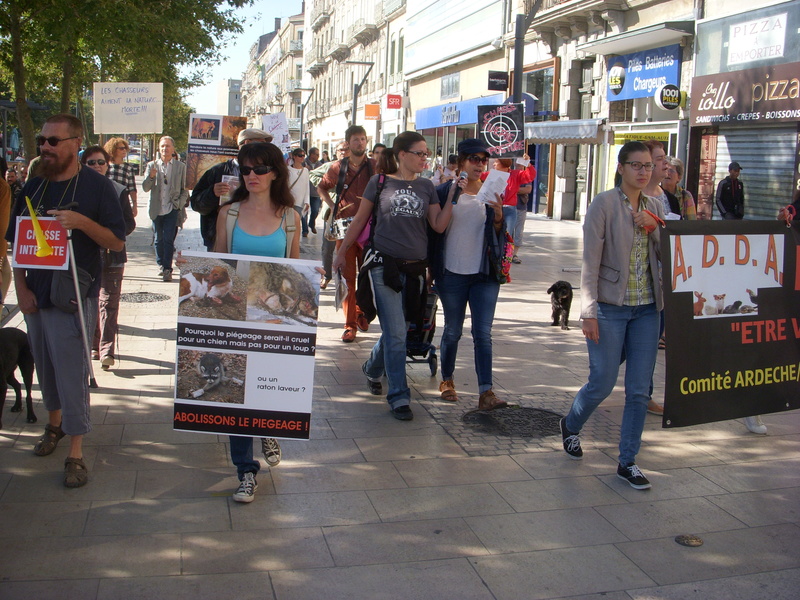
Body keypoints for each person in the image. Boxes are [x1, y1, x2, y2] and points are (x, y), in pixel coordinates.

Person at [6, 114, 125, 488]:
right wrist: (21, 289)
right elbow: (19, 244)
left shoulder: (98, 187)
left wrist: (80, 222)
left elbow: (116, 242)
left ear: (76, 142)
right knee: (45, 365)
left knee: (72, 371)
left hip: (73, 294)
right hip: (35, 296)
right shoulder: (34, 185)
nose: (45, 147)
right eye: (43, 140)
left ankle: (76, 450)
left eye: (54, 141)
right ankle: (53, 425)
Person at [559, 141, 664, 490]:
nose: (643, 171)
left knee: (638, 390)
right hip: (609, 307)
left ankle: (628, 461)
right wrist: (587, 311)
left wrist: (655, 227)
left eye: (648, 165)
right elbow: (590, 262)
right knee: (602, 382)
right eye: (636, 165)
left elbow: (671, 252)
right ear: (621, 168)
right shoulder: (603, 204)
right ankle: (571, 425)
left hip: (648, 309)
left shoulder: (656, 204)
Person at [334, 132, 453, 420]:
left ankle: (373, 368)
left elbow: (437, 225)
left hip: (415, 268)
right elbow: (360, 219)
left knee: (400, 329)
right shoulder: (380, 182)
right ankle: (399, 396)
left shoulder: (426, 186)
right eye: (420, 153)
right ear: (402, 154)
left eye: (427, 153)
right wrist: (340, 253)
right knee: (397, 332)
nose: (425, 158)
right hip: (382, 265)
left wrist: (451, 197)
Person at [213, 142, 299, 502]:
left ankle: (267, 427)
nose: (251, 176)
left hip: (273, 322)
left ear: (276, 172)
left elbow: (293, 272)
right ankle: (246, 470)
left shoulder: (290, 218)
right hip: (236, 316)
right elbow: (216, 265)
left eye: (260, 169)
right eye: (245, 169)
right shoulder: (229, 214)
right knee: (236, 397)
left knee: (263, 387)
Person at [433, 138, 508, 411]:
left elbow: (499, 236)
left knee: (483, 334)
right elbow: (435, 229)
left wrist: (499, 217)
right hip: (452, 271)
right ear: (461, 161)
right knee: (453, 330)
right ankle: (447, 380)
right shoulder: (444, 191)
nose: (479, 164)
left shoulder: (492, 192)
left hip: (484, 273)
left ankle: (486, 391)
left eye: (483, 159)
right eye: (474, 159)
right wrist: (454, 193)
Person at [317, 125, 376, 342]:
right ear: (348, 143)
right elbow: (321, 188)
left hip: (370, 231)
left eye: (363, 139)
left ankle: (361, 311)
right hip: (345, 231)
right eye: (356, 139)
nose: (360, 143)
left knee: (368, 277)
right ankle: (350, 324)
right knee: (347, 278)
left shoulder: (376, 166)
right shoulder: (337, 168)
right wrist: (332, 205)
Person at [81, 146, 136, 370]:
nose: (96, 166)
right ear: (83, 165)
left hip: (112, 256)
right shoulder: (76, 190)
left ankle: (107, 350)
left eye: (100, 162)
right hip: (85, 257)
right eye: (91, 162)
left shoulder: (118, 190)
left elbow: (129, 223)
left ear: (108, 165)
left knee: (109, 304)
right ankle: (94, 345)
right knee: (90, 300)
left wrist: (110, 232)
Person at [190, 128, 274, 251]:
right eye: (261, 144)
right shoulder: (217, 172)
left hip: (255, 238)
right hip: (218, 240)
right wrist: (213, 193)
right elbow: (196, 204)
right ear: (246, 144)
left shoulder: (267, 172)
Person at [143, 136, 188, 282]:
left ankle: (167, 268)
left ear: (173, 149)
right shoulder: (152, 166)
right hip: (157, 208)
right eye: (162, 146)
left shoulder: (180, 167)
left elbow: (185, 189)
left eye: (168, 146)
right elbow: (145, 187)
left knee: (168, 238)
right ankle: (160, 264)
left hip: (172, 208)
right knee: (158, 239)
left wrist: (179, 205)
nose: (165, 149)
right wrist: (151, 176)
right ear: (159, 149)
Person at [309, 142, 349, 289]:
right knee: (328, 247)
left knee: (347, 248)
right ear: (336, 152)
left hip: (350, 213)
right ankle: (326, 275)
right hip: (332, 213)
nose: (343, 152)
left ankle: (345, 278)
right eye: (340, 150)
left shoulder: (356, 168)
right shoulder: (330, 166)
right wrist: (327, 185)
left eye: (346, 150)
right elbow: (312, 174)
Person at [484, 155, 535, 253]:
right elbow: (478, 177)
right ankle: (492, 254)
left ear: (503, 163)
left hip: (509, 210)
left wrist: (527, 163)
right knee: (491, 233)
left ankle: (504, 257)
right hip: (494, 208)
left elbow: (530, 175)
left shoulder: (515, 175)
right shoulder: (492, 174)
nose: (494, 164)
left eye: (496, 162)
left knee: (506, 235)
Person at [104, 137, 139, 218]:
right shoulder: (106, 166)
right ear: (113, 149)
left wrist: (134, 205)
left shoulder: (128, 167)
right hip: (108, 201)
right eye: (121, 148)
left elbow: (132, 188)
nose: (124, 150)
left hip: (123, 202)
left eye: (125, 148)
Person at [287, 148, 310, 236]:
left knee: (296, 223)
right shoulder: (287, 170)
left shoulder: (305, 171)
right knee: (289, 223)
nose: (302, 157)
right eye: (300, 155)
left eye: (303, 155)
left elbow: (306, 186)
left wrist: (307, 201)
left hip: (300, 202)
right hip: (289, 201)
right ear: (294, 157)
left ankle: (295, 241)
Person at [304, 147, 323, 234]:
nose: (318, 156)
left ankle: (311, 224)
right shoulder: (303, 163)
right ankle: (305, 230)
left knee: (315, 210)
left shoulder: (320, 164)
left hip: (316, 192)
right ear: (311, 154)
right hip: (305, 192)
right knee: (304, 213)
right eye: (317, 154)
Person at [512, 182, 532, 264]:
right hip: (507, 206)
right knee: (507, 232)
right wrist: (519, 190)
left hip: (521, 207)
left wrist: (512, 189)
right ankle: (506, 253)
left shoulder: (525, 177)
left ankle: (514, 254)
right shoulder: (508, 173)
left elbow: (528, 189)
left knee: (518, 232)